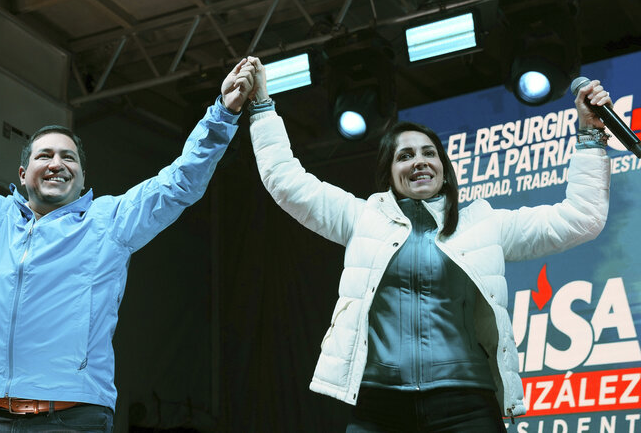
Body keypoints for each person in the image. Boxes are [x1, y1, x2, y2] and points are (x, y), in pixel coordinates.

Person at [0, 37, 255, 432]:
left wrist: (222, 113)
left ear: (82, 177)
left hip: (72, 419)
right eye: (45, 155)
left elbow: (179, 182)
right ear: (23, 174)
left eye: (68, 157)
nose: (57, 163)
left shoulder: (109, 220)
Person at [243, 57, 611, 432]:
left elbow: (581, 218)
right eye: (405, 156)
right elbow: (286, 181)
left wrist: (591, 136)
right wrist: (261, 106)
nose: (418, 161)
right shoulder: (362, 218)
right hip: (379, 407)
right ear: (389, 173)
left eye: (428, 153)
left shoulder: (482, 224)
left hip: (466, 405)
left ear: (444, 170)